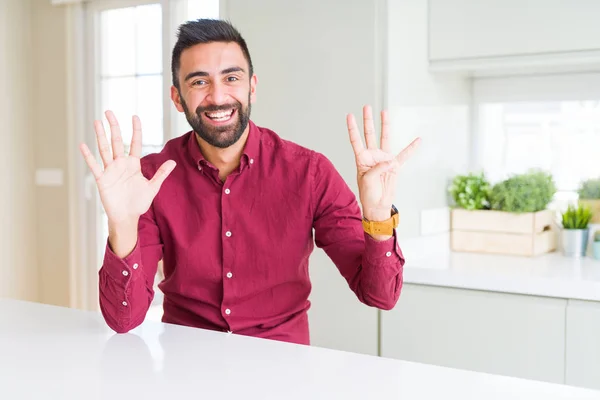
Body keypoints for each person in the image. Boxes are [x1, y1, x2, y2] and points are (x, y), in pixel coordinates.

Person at [80, 18, 420, 345]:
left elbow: (380, 296)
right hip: (185, 366)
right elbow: (123, 320)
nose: (217, 96)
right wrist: (122, 224)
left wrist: (377, 218)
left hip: (283, 365)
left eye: (231, 78)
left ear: (252, 87)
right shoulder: (151, 179)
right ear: (177, 98)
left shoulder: (310, 173)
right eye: (199, 82)